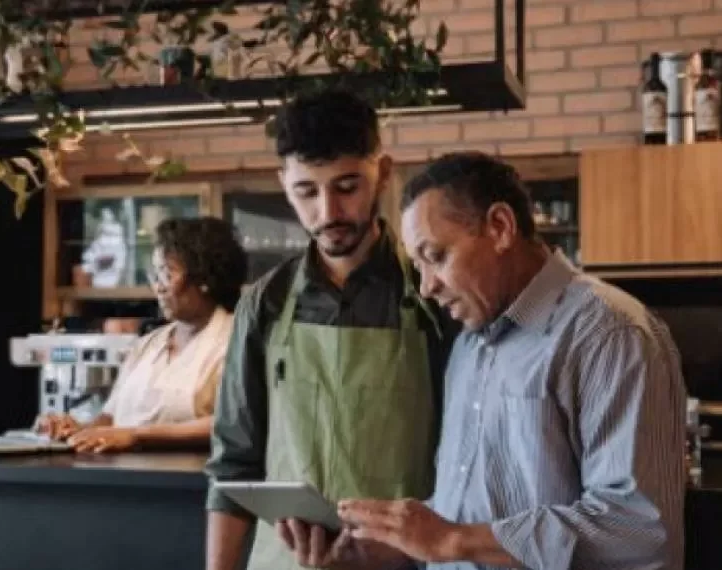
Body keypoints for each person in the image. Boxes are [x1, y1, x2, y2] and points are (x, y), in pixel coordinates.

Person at [333, 152, 688, 569]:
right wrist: (385, 546)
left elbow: (637, 530)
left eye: (437, 256)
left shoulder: (608, 333)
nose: (427, 287)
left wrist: (453, 539)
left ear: (499, 228)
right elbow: (471, 519)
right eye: (418, 266)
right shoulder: (469, 342)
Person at [204, 89, 457, 570]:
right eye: (306, 192)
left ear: (382, 173)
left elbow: (469, 463)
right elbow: (234, 462)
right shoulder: (265, 303)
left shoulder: (433, 297)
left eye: (347, 187)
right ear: (284, 185)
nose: (328, 213)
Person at [37, 216, 248, 453]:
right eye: (155, 275)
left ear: (205, 278)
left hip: (188, 482)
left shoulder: (237, 340)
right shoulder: (148, 344)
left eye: (167, 275)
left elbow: (233, 423)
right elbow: (110, 419)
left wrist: (136, 436)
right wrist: (75, 430)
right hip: (126, 480)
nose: (157, 286)